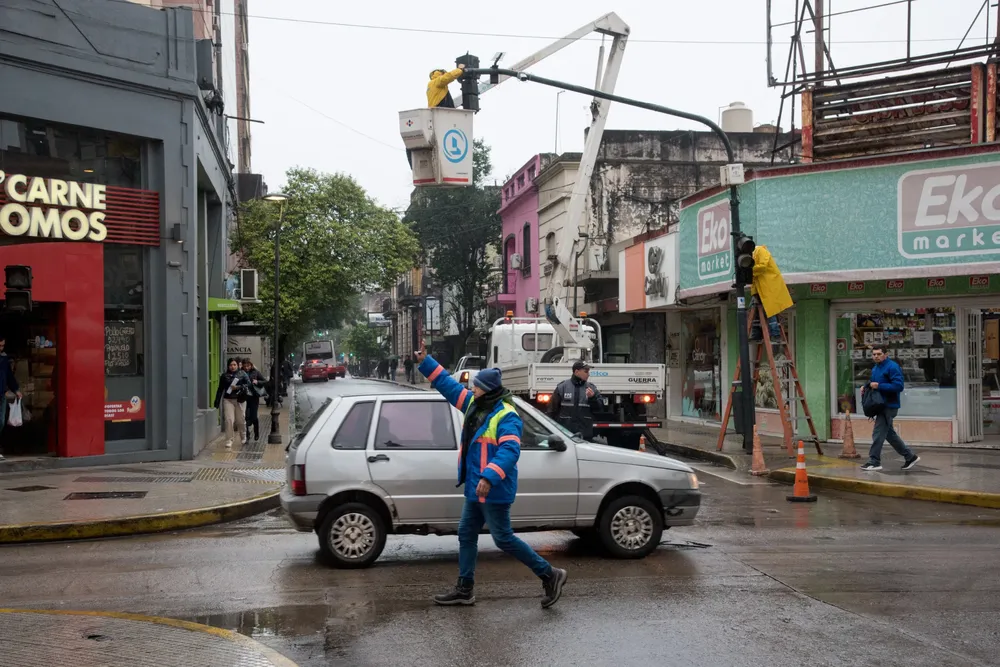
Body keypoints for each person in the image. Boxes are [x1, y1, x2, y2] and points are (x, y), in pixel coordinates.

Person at [415, 345, 568, 608]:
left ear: (488, 389)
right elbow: (450, 388)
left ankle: (550, 574)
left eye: (476, 385)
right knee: (466, 533)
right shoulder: (477, 405)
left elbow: (510, 451)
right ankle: (465, 588)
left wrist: (488, 477)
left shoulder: (506, 415)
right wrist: (426, 362)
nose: (471, 388)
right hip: (477, 487)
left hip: (493, 488)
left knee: (503, 538)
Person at [861, 345, 920, 472]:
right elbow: (873, 382)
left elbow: (898, 386)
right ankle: (910, 457)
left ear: (886, 354)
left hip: (889, 406)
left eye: (879, 354)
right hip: (879, 405)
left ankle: (874, 461)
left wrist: (880, 386)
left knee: (878, 433)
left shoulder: (892, 367)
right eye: (874, 354)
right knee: (889, 434)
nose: (876, 356)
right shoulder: (876, 368)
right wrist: (866, 386)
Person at [550, 360, 604, 442]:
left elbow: (600, 409)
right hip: (565, 434)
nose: (588, 374)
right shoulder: (562, 387)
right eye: (586, 371)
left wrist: (592, 398)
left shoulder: (591, 388)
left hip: (585, 435)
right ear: (576, 372)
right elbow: (552, 410)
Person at [748, 244, 792, 344]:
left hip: (768, 287)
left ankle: (775, 334)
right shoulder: (754, 255)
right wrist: (754, 292)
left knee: (770, 312)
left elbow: (762, 267)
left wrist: (749, 270)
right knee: (755, 312)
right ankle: (757, 334)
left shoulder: (760, 251)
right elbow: (755, 279)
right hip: (761, 289)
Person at [214, 358, 251, 448]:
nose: (233, 367)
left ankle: (243, 436)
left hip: (240, 400)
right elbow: (220, 389)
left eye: (234, 365)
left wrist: (238, 387)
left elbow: (249, 384)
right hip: (228, 400)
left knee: (240, 420)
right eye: (231, 365)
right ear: (228, 366)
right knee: (229, 420)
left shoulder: (242, 373)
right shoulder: (224, 376)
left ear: (238, 365)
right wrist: (217, 401)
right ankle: (229, 440)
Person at [0, 335, 22, 462]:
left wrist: (16, 389)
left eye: (2, 345)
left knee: (1, 421)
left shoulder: (4, 359)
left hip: (1, 393)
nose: (1, 348)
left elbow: (8, 375)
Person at [242, 358, 267, 442]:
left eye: (248, 366)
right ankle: (247, 435)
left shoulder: (255, 372)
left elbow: (264, 381)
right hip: (244, 397)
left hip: (253, 397)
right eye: (244, 366)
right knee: (244, 417)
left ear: (251, 365)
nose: (246, 368)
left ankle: (256, 432)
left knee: (254, 417)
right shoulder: (240, 373)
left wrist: (257, 382)